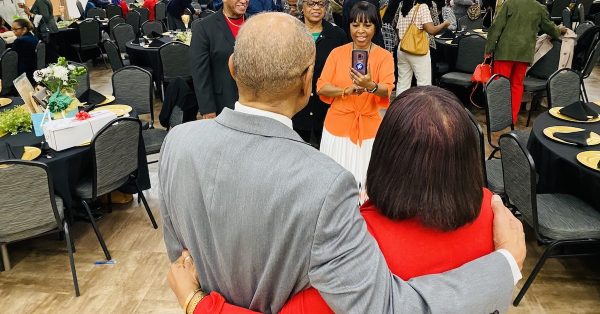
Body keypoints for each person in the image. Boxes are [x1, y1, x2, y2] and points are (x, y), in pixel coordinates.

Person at [159, 12, 525, 314]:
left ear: (233, 68)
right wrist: (506, 263)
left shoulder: (177, 142)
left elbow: (182, 260)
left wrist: (196, 301)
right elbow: (382, 307)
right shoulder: (326, 183)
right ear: (307, 81)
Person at [168, 86, 507, 314]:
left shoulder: (354, 239)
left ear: (385, 155)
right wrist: (508, 261)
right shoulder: (493, 213)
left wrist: (195, 301)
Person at [317, 1, 394, 197]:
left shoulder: (384, 56)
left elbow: (387, 90)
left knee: (367, 187)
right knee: (334, 186)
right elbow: (321, 87)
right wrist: (347, 90)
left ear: (375, 27)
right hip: (337, 129)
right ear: (349, 26)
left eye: (367, 25)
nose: (361, 31)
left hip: (370, 131)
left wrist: (371, 86)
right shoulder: (337, 53)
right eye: (355, 25)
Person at [484, 0, 567, 123]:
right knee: (517, 85)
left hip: (505, 52)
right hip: (524, 54)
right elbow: (551, 29)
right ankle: (512, 118)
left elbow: (496, 27)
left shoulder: (509, 4)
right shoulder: (539, 8)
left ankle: (497, 118)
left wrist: (489, 49)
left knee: (498, 85)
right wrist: (560, 29)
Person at [292, 0, 347, 146]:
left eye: (321, 4)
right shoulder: (290, 31)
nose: (316, 8)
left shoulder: (337, 35)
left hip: (326, 110)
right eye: (311, 4)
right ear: (301, 6)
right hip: (296, 108)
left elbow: (344, 70)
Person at [190, 0, 248, 119]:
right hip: (223, 103)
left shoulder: (256, 23)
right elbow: (200, 73)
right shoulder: (204, 27)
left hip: (255, 105)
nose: (244, 1)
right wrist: (207, 108)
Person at [395, 0, 449, 94]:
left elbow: (397, 28)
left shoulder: (403, 5)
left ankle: (400, 107)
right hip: (418, 50)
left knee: (402, 83)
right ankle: (424, 108)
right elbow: (431, 30)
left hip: (402, 48)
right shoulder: (423, 7)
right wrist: (444, 24)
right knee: (424, 85)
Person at [11, 18, 38, 83]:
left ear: (24, 29)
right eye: (12, 29)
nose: (13, 31)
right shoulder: (34, 37)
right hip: (34, 68)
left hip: (24, 72)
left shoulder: (19, 41)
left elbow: (12, 59)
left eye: (16, 29)